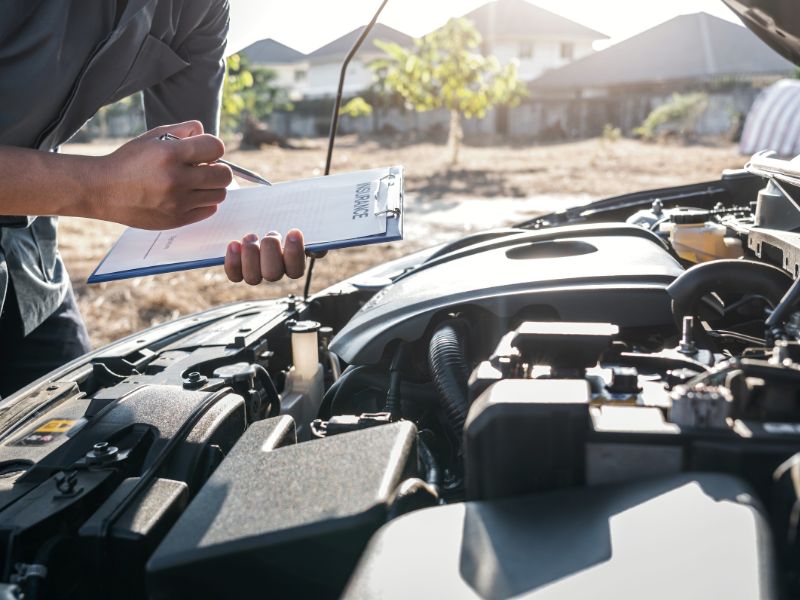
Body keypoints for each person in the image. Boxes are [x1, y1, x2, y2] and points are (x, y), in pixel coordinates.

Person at [0, 0, 305, 398]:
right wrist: (98, 187)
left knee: (75, 434)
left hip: (30, 264)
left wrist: (258, 221)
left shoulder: (201, 10)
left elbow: (190, 172)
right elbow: (106, 185)